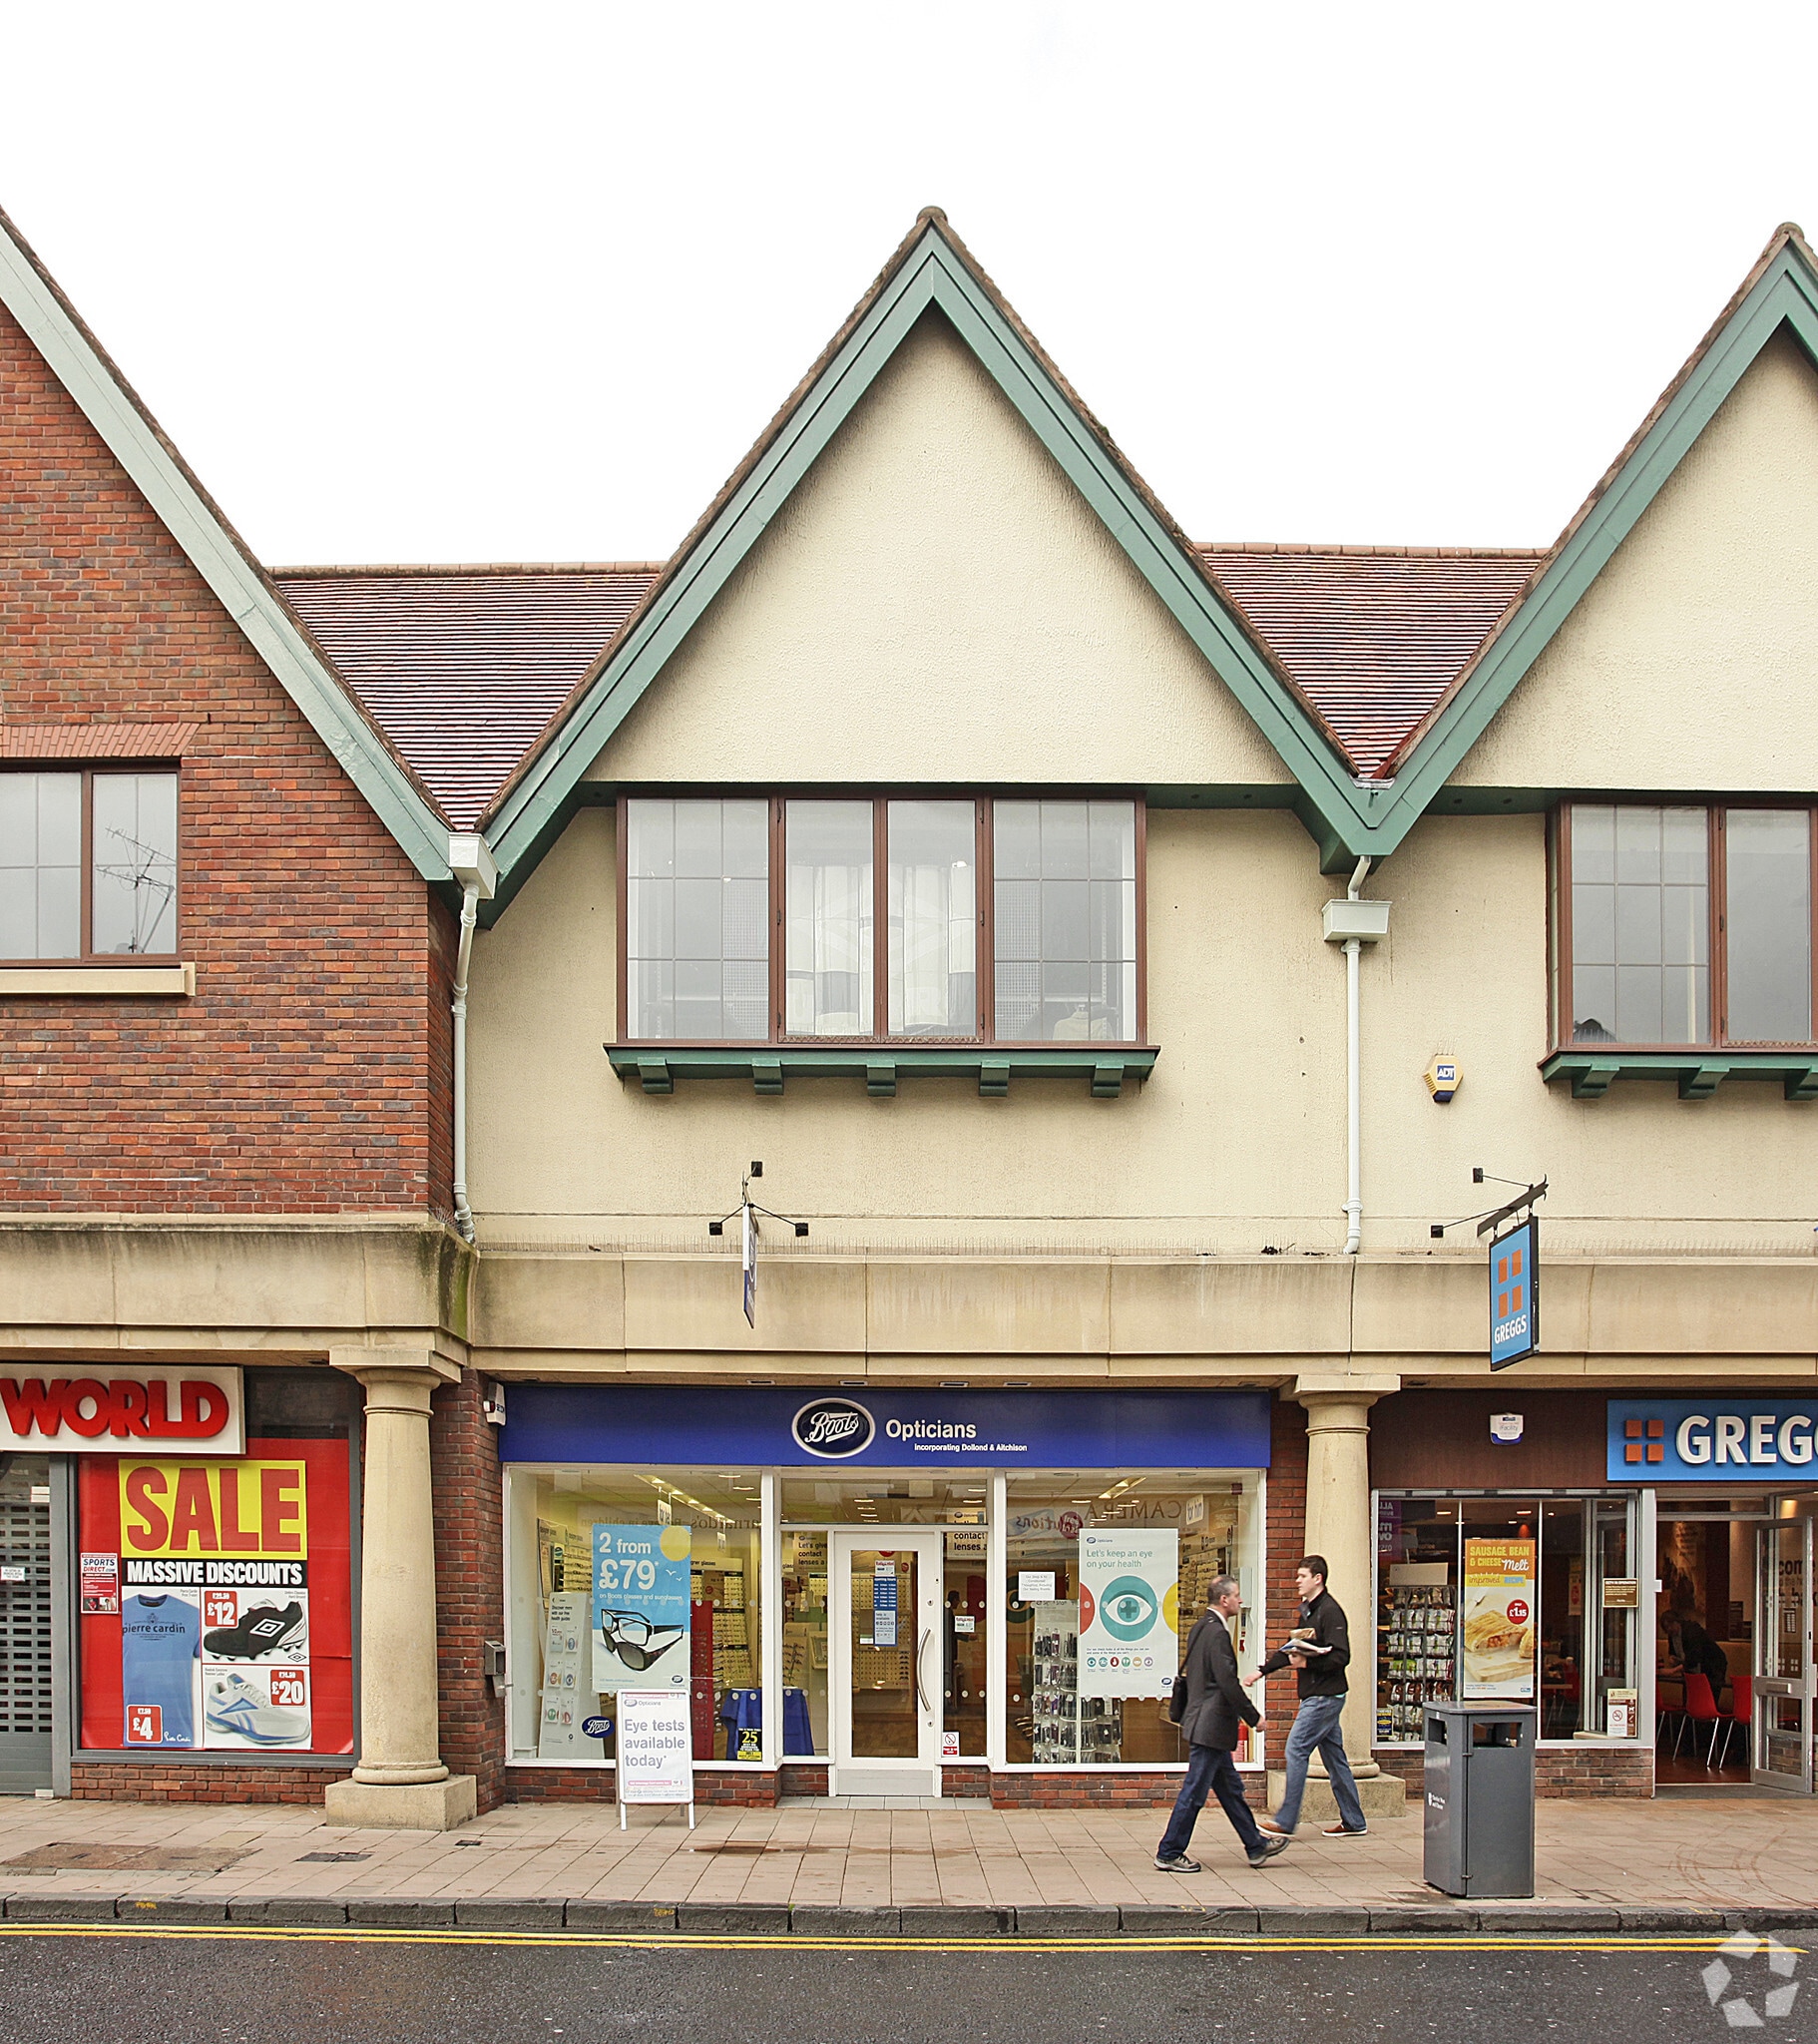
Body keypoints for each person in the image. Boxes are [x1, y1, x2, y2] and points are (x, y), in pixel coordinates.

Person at [1155, 1574, 1289, 1872]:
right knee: (1194, 1792)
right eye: (1237, 1595)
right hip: (1211, 1726)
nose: (1241, 1600)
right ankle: (1169, 1851)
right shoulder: (1217, 1633)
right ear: (1224, 1599)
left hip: (1203, 1721)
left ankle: (1256, 1846)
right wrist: (1254, 1718)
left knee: (1231, 1790)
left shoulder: (1201, 1626)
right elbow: (1227, 1683)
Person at [1245, 1554, 1368, 1839]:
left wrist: (1308, 1663)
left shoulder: (1331, 1611)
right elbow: (1293, 1649)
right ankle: (1354, 1820)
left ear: (1318, 1579)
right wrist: (1262, 1671)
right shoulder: (1309, 1610)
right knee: (1335, 1758)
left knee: (1296, 1748)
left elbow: (1341, 1656)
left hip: (1324, 1696)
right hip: (1318, 1694)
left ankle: (1286, 1820)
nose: (1297, 1581)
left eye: (1302, 1576)